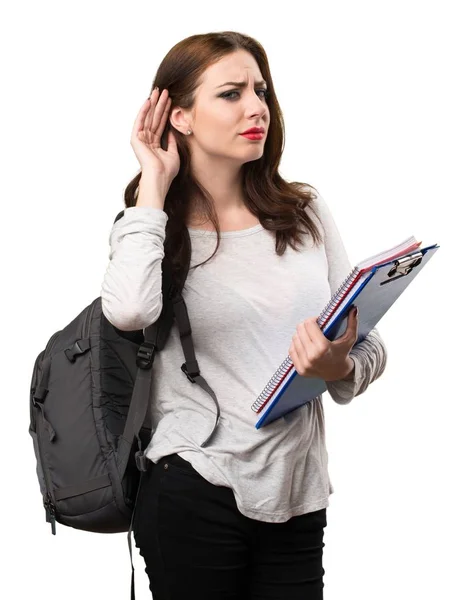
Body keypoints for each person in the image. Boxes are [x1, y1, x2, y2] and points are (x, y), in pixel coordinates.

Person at [100, 30, 387, 600]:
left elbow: (370, 344)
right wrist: (153, 186)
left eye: (260, 90)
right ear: (179, 117)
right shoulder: (150, 226)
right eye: (230, 93)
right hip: (193, 483)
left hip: (296, 490)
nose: (257, 107)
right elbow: (129, 310)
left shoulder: (302, 212)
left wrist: (336, 369)